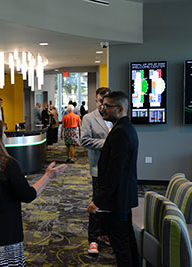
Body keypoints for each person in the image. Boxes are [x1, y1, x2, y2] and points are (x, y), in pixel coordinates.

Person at [0, 116, 67, 266]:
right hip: (2, 236)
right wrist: (48, 176)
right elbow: (27, 195)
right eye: (4, 132)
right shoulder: (7, 164)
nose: (5, 136)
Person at [87, 91, 139, 267]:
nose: (103, 109)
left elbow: (114, 172)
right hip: (122, 196)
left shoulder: (120, 132)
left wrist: (98, 201)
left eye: (107, 106)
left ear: (121, 108)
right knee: (126, 241)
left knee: (121, 245)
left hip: (117, 199)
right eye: (103, 105)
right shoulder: (125, 128)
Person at [80, 87, 112, 254]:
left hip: (115, 169)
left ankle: (106, 234)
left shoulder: (116, 117)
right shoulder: (88, 118)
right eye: (101, 101)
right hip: (98, 168)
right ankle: (93, 239)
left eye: (106, 102)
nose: (103, 105)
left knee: (112, 203)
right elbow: (84, 141)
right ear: (96, 100)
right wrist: (108, 143)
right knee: (97, 203)